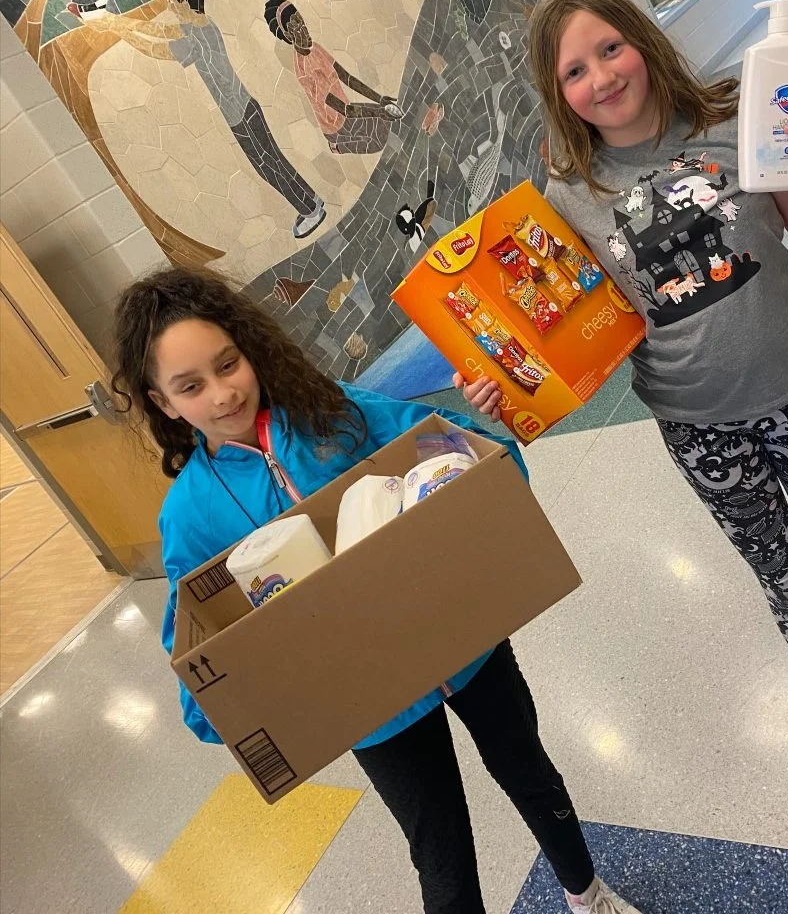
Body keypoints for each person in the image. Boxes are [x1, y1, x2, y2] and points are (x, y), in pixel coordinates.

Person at [457, 0, 788, 819]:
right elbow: (561, 335)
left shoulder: (738, 119)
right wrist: (500, 379)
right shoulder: (564, 198)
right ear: (558, 93)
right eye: (574, 71)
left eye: (610, 48)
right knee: (785, 581)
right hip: (700, 431)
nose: (601, 78)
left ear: (642, 41)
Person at [110, 266, 641, 914]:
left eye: (228, 365)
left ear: (248, 349)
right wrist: (253, 701)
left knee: (531, 774)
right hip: (368, 708)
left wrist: (483, 432)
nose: (223, 394)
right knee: (440, 853)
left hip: (464, 644)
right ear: (163, 402)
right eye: (191, 386)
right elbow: (202, 666)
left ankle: (587, 895)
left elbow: (463, 455)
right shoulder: (190, 515)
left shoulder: (330, 411)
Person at [69, 0, 325, 240]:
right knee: (274, 161)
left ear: (184, 0)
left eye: (170, 1)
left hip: (240, 115)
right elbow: (158, 30)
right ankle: (310, 200)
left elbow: (154, 49)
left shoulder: (197, 40)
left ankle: (309, 209)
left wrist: (116, 27)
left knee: (268, 167)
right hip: (246, 108)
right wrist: (116, 22)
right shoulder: (201, 23)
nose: (168, 7)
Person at [264, 0, 403, 155]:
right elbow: (344, 110)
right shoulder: (304, 71)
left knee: (384, 121)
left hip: (347, 110)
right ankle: (338, 147)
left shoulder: (316, 49)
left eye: (302, 22)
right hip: (336, 125)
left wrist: (379, 99)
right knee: (378, 141)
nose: (304, 28)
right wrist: (377, 112)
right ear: (289, 36)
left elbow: (346, 77)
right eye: (297, 27)